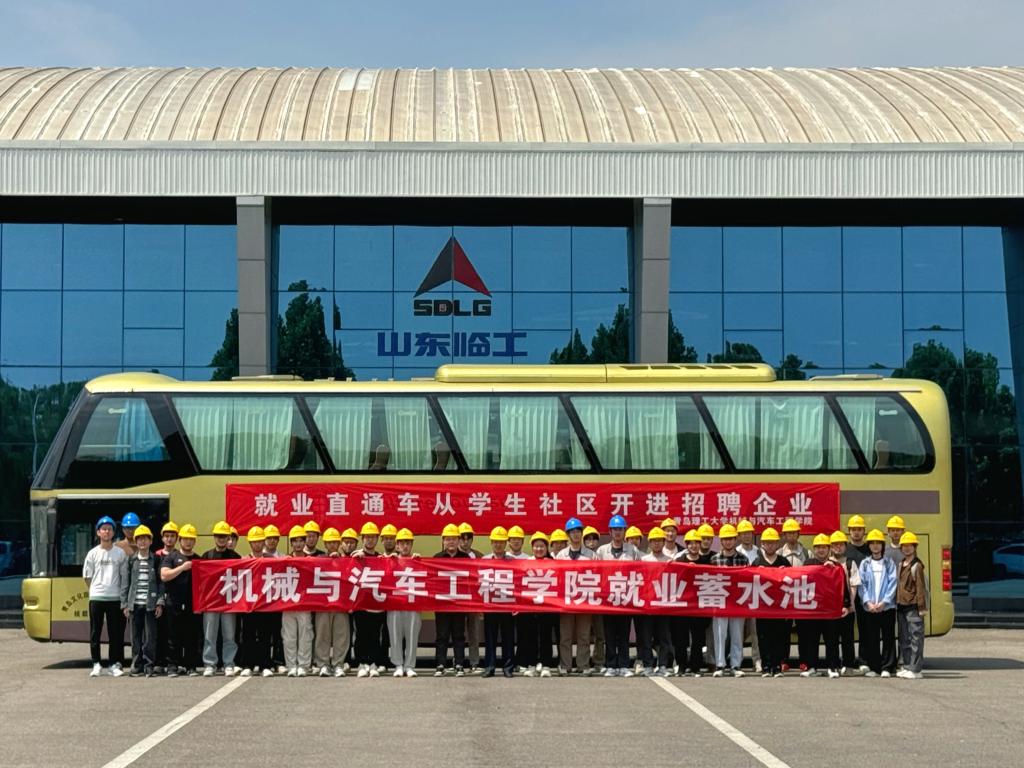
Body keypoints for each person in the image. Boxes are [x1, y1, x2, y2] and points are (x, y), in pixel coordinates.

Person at [595, 514, 640, 677]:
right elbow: (596, 572)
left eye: (620, 529)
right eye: (615, 529)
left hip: (626, 598)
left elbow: (640, 571)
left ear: (624, 531)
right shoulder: (601, 551)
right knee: (609, 634)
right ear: (610, 532)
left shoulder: (633, 550)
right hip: (608, 598)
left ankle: (624, 665)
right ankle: (611, 665)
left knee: (623, 633)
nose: (618, 532)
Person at [84, 515, 128, 677]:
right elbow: (87, 577)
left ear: (113, 532)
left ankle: (113, 664)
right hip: (97, 598)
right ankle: (96, 663)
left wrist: (122, 597)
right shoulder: (92, 553)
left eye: (109, 529)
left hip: (115, 598)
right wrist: (96, 590)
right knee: (95, 632)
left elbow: (124, 577)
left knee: (115, 633)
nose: (107, 532)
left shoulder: (120, 553)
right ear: (98, 532)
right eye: (103, 529)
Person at [120, 525, 164, 676]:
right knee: (135, 637)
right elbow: (125, 583)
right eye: (139, 539)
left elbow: (161, 583)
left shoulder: (156, 560)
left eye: (145, 539)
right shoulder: (131, 560)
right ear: (136, 542)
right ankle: (136, 664)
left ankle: (149, 664)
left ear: (151, 541)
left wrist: (159, 602)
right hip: (134, 604)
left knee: (150, 636)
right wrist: (125, 604)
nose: (142, 542)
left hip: (150, 605)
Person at [201, 521, 241, 676]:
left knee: (229, 635)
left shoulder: (236, 557)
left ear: (228, 538)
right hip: (211, 603)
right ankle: (209, 664)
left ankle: (228, 663)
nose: (221, 539)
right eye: (219, 536)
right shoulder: (207, 556)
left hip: (229, 603)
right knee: (209, 635)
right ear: (214, 537)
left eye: (224, 536)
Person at [160, 523, 201, 677]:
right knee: (173, 636)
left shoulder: (198, 559)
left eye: (191, 539)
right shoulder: (171, 557)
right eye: (185, 539)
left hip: (193, 604)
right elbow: (164, 575)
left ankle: (191, 666)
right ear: (180, 540)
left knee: (191, 636)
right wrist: (182, 568)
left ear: (195, 541)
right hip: (174, 603)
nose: (188, 542)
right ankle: (172, 666)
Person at [555, 517, 594, 676]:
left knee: (584, 635)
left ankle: (583, 664)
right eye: (572, 532)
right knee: (565, 635)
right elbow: (556, 578)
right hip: (566, 601)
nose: (576, 534)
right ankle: (565, 665)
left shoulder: (591, 555)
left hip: (584, 600)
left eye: (578, 531)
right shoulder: (561, 555)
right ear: (568, 534)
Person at [858, 529, 898, 678]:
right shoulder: (865, 564)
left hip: (886, 608)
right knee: (872, 638)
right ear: (869, 546)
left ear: (882, 545)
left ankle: (888, 667)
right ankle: (874, 667)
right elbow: (861, 585)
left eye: (878, 543)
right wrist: (868, 602)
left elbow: (893, 582)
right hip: (870, 608)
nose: (875, 546)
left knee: (888, 637)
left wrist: (884, 602)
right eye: (872, 543)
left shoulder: (889, 563)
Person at [312, 527, 350, 678]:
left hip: (341, 605)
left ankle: (338, 664)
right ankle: (323, 664)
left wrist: (340, 560)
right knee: (322, 635)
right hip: (323, 605)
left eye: (335, 542)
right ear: (325, 544)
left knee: (341, 635)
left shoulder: (347, 561)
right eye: (329, 542)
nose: (332, 545)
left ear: (339, 544)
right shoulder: (319, 559)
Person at [710, 524, 747, 677]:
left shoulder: (743, 558)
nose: (728, 541)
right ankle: (720, 665)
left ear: (735, 539)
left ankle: (736, 665)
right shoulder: (714, 559)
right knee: (720, 634)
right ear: (721, 541)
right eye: (725, 539)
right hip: (720, 600)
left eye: (731, 538)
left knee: (737, 634)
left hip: (738, 601)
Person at [434, 523, 470, 676]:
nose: (451, 542)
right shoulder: (437, 558)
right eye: (448, 539)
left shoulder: (465, 558)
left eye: (454, 539)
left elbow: (471, 580)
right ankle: (440, 664)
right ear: (443, 541)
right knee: (442, 635)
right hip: (442, 603)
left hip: (459, 603)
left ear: (459, 540)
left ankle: (459, 664)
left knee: (459, 635)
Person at [752, 528, 788, 678]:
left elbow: (792, 582)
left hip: (779, 607)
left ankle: (776, 666)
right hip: (762, 607)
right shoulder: (757, 562)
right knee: (763, 637)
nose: (770, 545)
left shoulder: (783, 562)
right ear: (762, 544)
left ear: (777, 544)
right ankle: (766, 666)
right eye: (767, 543)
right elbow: (748, 582)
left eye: (773, 542)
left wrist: (785, 572)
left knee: (778, 637)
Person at [675, 529, 712, 676]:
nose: (694, 546)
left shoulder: (706, 562)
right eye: (691, 543)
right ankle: (681, 666)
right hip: (682, 606)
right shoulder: (679, 561)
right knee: (681, 638)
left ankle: (696, 666)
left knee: (698, 638)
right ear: (686, 545)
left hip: (699, 606)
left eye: (697, 543)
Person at [238, 527, 274, 678]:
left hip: (266, 604)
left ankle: (265, 665)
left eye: (259, 541)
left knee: (265, 635)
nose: (257, 544)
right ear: (250, 543)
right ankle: (248, 665)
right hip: (249, 604)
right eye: (254, 541)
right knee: (248, 635)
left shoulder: (271, 560)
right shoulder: (243, 560)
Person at [351, 522, 386, 678]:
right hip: (360, 603)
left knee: (375, 635)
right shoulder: (356, 556)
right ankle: (361, 663)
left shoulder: (381, 558)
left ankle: (373, 663)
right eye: (367, 537)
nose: (370, 540)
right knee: (361, 635)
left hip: (376, 604)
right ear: (362, 539)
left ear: (377, 539)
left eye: (373, 537)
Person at [481, 526, 516, 678]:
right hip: (490, 605)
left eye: (501, 542)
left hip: (507, 604)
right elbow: (479, 583)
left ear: (506, 543)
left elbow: (518, 584)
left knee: (508, 638)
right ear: (491, 543)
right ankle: (489, 666)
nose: (498, 544)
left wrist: (517, 605)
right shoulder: (484, 561)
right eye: (495, 541)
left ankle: (508, 667)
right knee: (490, 638)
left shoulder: (513, 561)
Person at [519, 532, 556, 677]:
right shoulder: (526, 562)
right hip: (530, 606)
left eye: (542, 546)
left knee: (546, 636)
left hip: (548, 606)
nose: (539, 549)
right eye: (536, 546)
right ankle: (531, 665)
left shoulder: (554, 563)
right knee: (531, 637)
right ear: (532, 548)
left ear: (547, 548)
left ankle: (546, 665)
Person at [387, 528, 422, 677]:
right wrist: (389, 561)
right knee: (395, 635)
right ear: (397, 545)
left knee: (412, 635)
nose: (405, 546)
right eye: (402, 543)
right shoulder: (391, 560)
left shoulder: (417, 560)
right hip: (395, 604)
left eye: (408, 543)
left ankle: (409, 665)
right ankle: (398, 665)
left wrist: (420, 562)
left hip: (413, 605)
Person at [797, 534, 833, 677]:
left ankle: (832, 667)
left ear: (829, 549)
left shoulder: (834, 565)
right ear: (814, 549)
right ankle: (812, 667)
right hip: (812, 608)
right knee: (811, 639)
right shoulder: (808, 563)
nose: (821, 550)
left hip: (829, 609)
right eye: (818, 547)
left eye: (824, 547)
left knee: (830, 639)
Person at [824, 530, 859, 678]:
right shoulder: (826, 563)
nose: (838, 547)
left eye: (841, 544)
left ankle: (848, 665)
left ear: (845, 546)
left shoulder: (850, 563)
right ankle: (833, 666)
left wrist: (850, 605)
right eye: (835, 545)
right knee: (831, 639)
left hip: (847, 608)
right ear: (831, 547)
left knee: (847, 638)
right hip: (831, 609)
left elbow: (854, 585)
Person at [280, 526, 314, 677]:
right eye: (295, 541)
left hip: (305, 604)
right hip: (288, 604)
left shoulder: (311, 561)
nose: (298, 544)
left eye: (301, 541)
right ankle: (291, 665)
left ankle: (304, 665)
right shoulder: (284, 561)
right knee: (289, 637)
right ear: (291, 543)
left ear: (305, 542)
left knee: (305, 635)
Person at [639, 526, 673, 676]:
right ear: (650, 543)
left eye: (659, 540)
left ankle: (663, 664)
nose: (657, 543)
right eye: (654, 541)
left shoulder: (669, 561)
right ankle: (647, 664)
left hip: (663, 605)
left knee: (664, 637)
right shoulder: (644, 560)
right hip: (647, 605)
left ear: (664, 542)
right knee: (646, 637)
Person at [896, 531, 927, 680]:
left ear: (915, 547)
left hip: (913, 606)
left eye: (910, 545)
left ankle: (916, 669)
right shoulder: (901, 564)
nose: (907, 548)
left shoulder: (917, 566)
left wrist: (922, 607)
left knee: (916, 638)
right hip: (901, 605)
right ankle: (907, 666)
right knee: (904, 638)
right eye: (904, 546)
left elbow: (921, 588)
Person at [150, 521, 178, 675]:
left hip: (174, 598)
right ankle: (159, 663)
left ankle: (173, 663)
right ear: (162, 538)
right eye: (166, 536)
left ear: (176, 538)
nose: (169, 539)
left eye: (172, 536)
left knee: (173, 633)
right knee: (159, 632)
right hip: (159, 599)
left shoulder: (180, 556)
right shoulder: (156, 556)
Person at [735, 519, 761, 673]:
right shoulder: (735, 552)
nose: (746, 536)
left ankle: (757, 660)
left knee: (756, 632)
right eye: (743, 533)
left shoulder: (759, 552)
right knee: (737, 632)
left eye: (749, 533)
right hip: (739, 597)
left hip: (756, 596)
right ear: (739, 536)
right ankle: (736, 660)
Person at [458, 522, 483, 672]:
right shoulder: (451, 556)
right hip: (457, 601)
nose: (465, 542)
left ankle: (474, 663)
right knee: (457, 634)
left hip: (474, 601)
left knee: (474, 633)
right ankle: (458, 663)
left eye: (468, 538)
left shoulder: (478, 556)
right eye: (462, 538)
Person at [581, 525, 605, 670]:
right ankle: (583, 661)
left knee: (599, 633)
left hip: (598, 600)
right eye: (588, 539)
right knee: (583, 634)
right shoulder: (580, 555)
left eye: (594, 538)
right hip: (582, 599)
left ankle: (598, 661)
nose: (591, 541)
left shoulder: (602, 555)